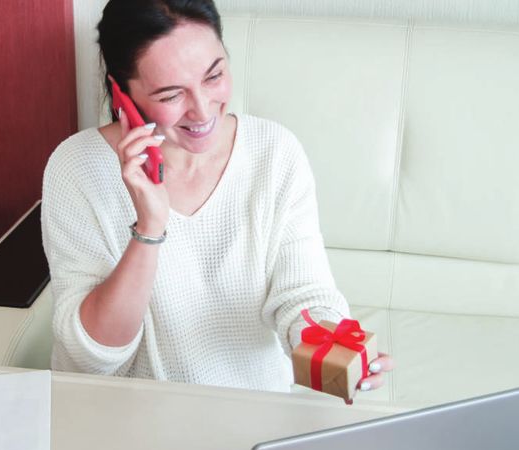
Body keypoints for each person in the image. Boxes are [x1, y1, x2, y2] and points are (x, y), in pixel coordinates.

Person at [41, 0, 393, 395]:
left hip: (257, 411)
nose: (202, 110)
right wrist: (149, 229)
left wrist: (337, 349)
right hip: (134, 416)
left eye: (214, 75)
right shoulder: (77, 167)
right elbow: (90, 356)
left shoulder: (274, 151)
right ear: (122, 93)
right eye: (171, 95)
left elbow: (302, 293)